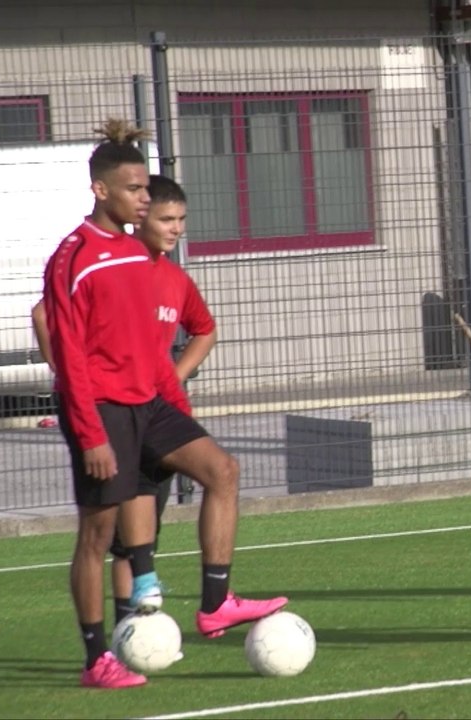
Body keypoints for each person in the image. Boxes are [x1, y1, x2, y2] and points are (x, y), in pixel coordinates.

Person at [41, 120, 287, 689]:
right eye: (134, 190)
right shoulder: (73, 259)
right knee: (97, 539)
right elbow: (71, 358)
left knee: (221, 469)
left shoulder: (137, 253)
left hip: (148, 405)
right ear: (101, 190)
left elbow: (151, 349)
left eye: (147, 191)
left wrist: (176, 409)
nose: (145, 199)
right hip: (101, 413)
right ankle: (96, 659)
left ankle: (215, 602)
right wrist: (91, 435)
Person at [33, 174, 216, 631]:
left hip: (150, 406)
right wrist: (76, 386)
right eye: (164, 217)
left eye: (180, 219)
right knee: (109, 538)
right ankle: (116, 636)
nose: (175, 228)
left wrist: (173, 390)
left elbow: (196, 333)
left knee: (166, 514)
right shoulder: (89, 256)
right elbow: (49, 319)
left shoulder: (161, 272)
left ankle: (207, 603)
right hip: (108, 407)